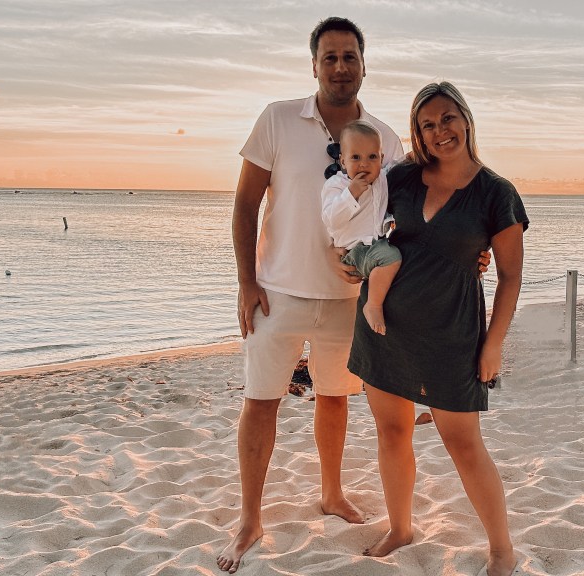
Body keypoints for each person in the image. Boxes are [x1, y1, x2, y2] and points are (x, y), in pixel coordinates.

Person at [216, 17, 404, 573]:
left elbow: (399, 215)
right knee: (260, 400)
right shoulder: (277, 119)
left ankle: (331, 492)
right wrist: (247, 281)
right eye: (330, 57)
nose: (341, 67)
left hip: (347, 300)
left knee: (334, 397)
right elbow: (246, 203)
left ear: (364, 65)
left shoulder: (385, 138)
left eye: (350, 57)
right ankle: (250, 516)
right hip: (277, 292)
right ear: (315, 64)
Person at [347, 81, 528, 576]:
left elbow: (511, 276)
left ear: (466, 119)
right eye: (427, 125)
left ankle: (500, 550)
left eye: (447, 118)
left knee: (463, 443)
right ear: (418, 134)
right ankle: (401, 528)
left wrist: (493, 345)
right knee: (391, 431)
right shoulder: (401, 178)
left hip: (452, 333)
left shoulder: (497, 193)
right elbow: (353, 218)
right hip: (385, 326)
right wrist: (350, 262)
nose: (439, 131)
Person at [321, 120, 402, 335]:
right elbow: (331, 220)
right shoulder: (337, 186)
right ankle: (373, 305)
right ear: (343, 161)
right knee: (392, 258)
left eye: (372, 157)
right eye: (356, 157)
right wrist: (351, 194)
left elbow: (401, 167)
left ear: (381, 159)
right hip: (353, 252)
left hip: (373, 246)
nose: (364, 164)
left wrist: (413, 158)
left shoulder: (382, 179)